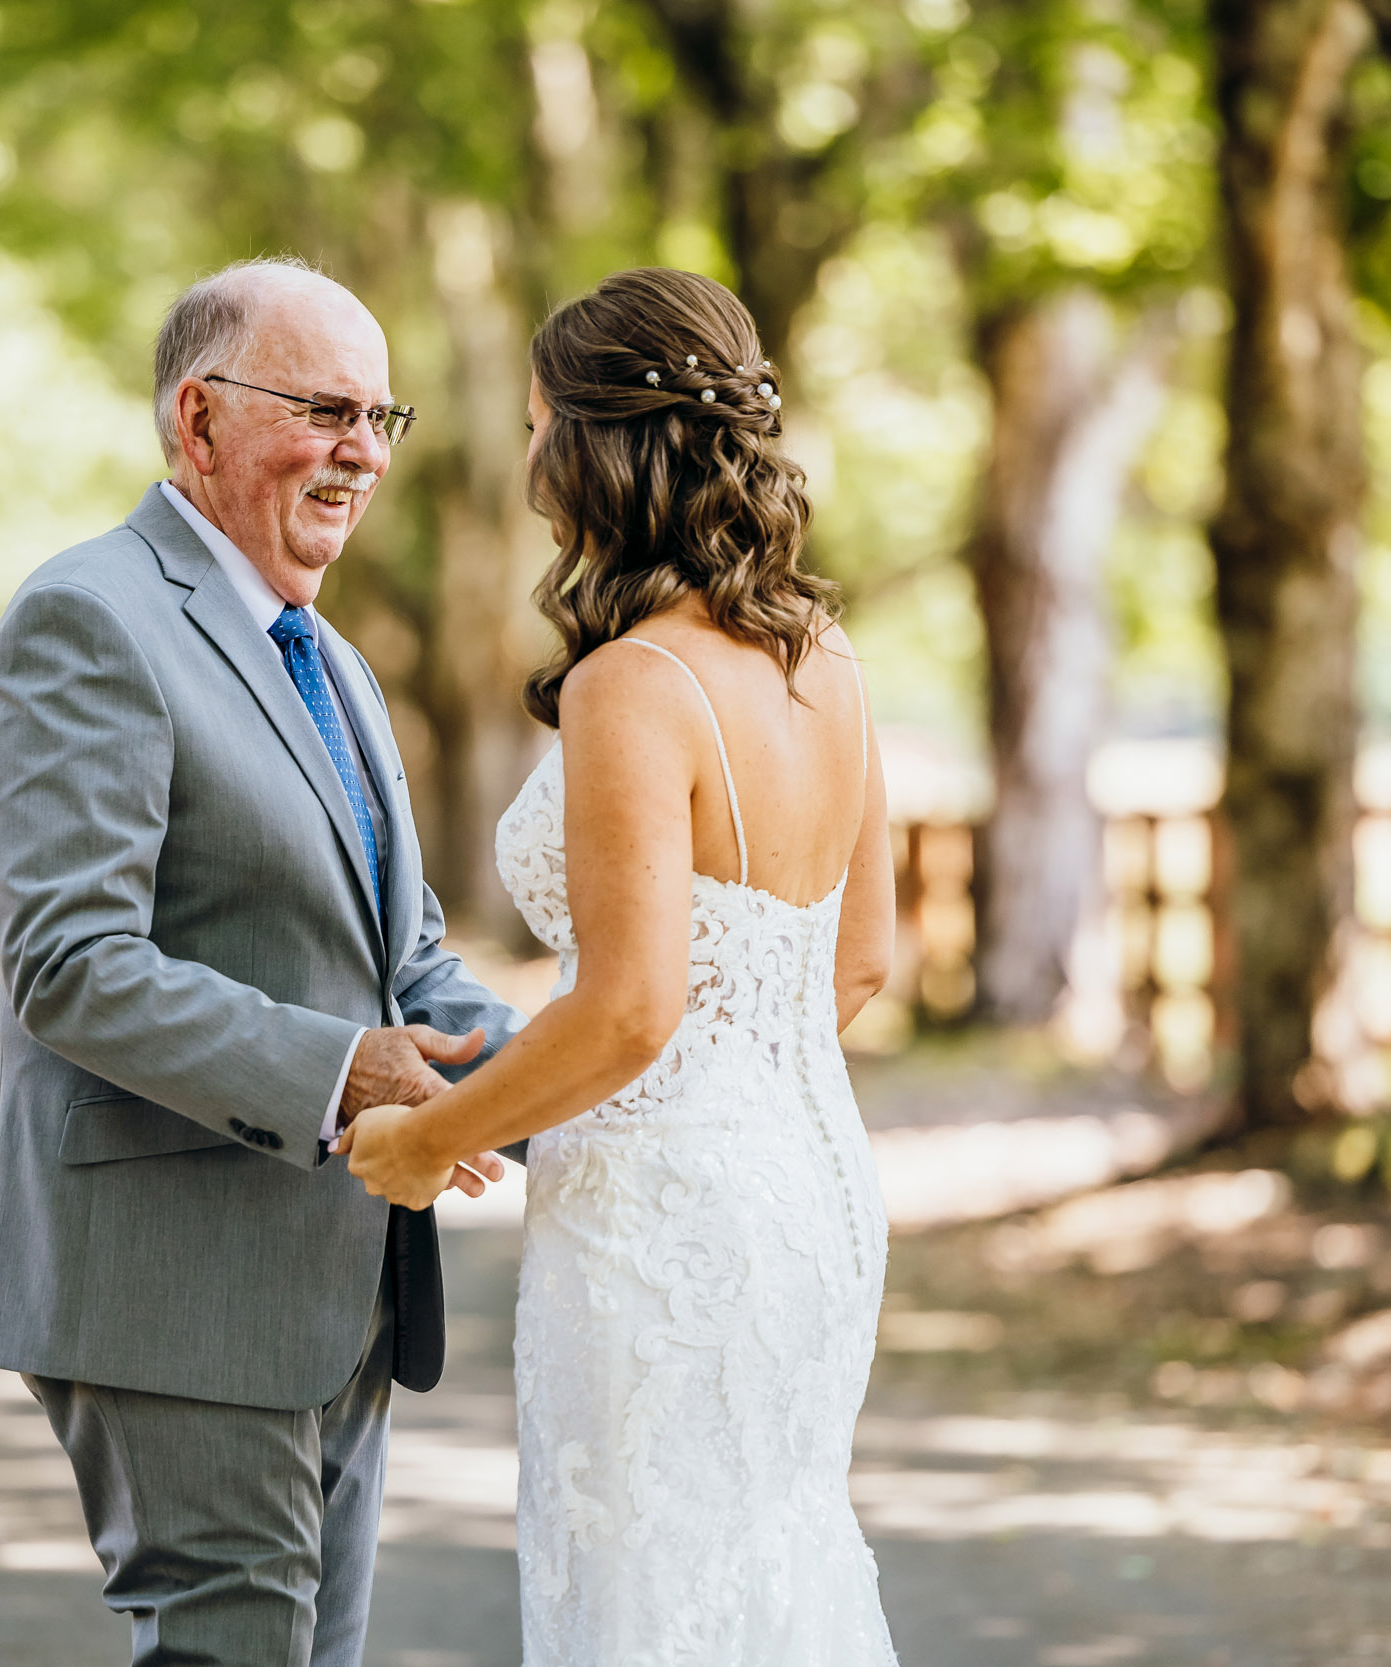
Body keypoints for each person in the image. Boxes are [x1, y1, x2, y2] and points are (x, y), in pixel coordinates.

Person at [0, 255, 523, 1667]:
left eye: (382, 419)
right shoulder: (87, 617)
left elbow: (407, 963)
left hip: (344, 1292)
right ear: (196, 421)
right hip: (177, 1292)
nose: (360, 452)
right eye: (325, 408)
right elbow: (71, 962)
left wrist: (587, 1073)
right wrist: (341, 1072)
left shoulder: (333, 661)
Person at [338, 267, 901, 1665]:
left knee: (647, 1600)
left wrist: (429, 1143)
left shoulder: (632, 685)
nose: (528, 466)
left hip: (663, 1233)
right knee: (772, 1567)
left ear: (595, 440)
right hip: (812, 1189)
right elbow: (863, 961)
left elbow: (635, 1007)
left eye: (537, 425)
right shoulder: (824, 660)